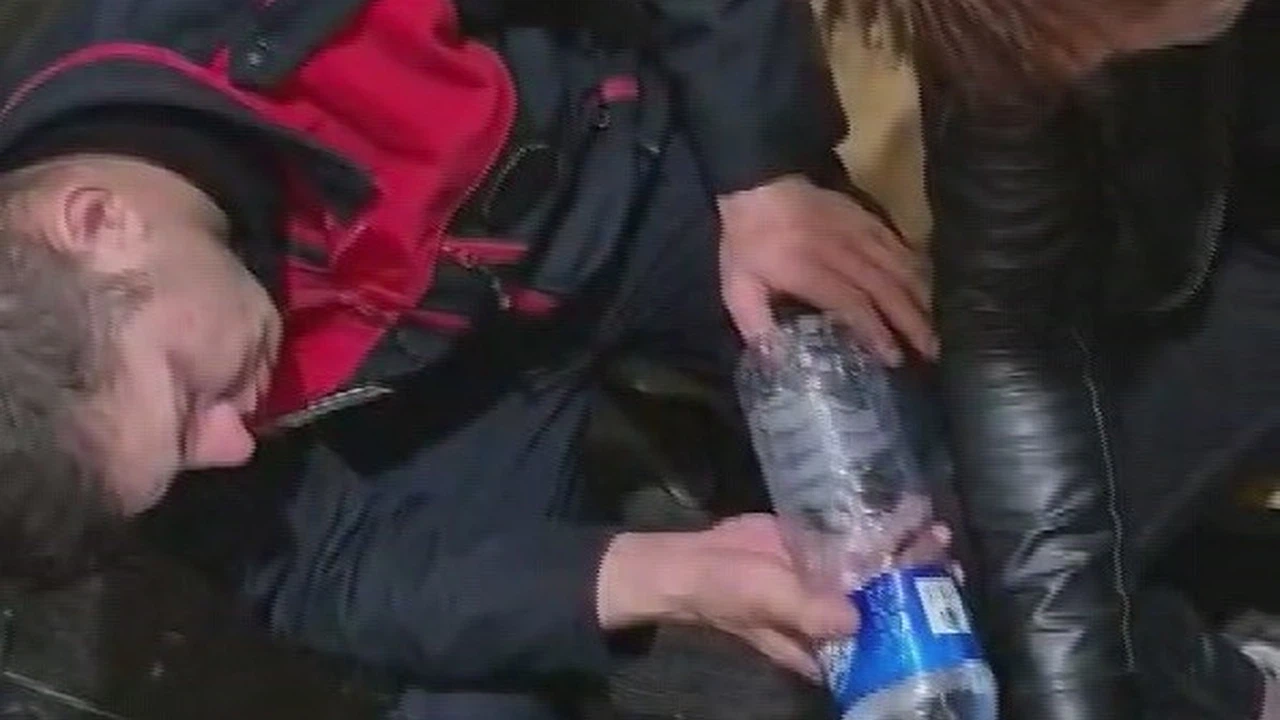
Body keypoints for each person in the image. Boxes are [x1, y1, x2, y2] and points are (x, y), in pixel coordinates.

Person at [0, 0, 942, 717]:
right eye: (183, 460)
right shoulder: (78, 415)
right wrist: (655, 575)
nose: (235, 447)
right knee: (466, 696)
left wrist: (764, 169)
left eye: (189, 398)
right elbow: (319, 569)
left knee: (926, 449)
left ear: (98, 222)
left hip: (635, 165)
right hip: (455, 385)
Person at [847, 0, 1280, 718]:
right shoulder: (1012, 22)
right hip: (1178, 258)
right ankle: (1247, 692)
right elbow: (1011, 328)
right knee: (942, 579)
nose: (1080, 74)